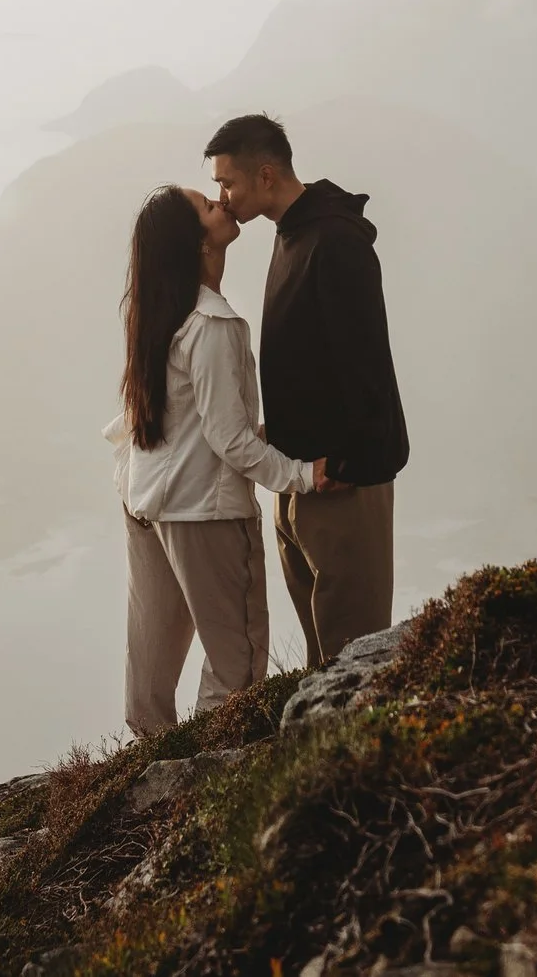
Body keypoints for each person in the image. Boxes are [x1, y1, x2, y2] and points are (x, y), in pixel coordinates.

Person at [105, 185, 336, 735]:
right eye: (208, 205)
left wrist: (264, 432)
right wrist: (302, 476)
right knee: (240, 662)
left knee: (152, 657)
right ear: (196, 241)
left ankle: (149, 765)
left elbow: (183, 419)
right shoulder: (211, 323)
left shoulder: (157, 314)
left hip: (145, 499)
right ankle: (203, 777)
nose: (222, 202)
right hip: (202, 512)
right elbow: (227, 440)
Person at [205, 113, 408, 666]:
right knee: (324, 668)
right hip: (299, 483)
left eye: (229, 182)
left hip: (343, 486)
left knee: (356, 663)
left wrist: (344, 463)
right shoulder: (292, 234)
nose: (221, 196)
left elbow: (364, 359)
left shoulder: (335, 240)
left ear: (266, 175)